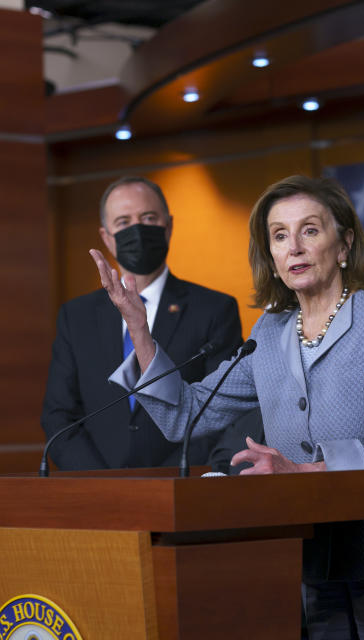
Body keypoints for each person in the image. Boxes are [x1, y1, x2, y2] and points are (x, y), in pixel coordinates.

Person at [92, 175, 364, 639]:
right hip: (315, 557)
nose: (295, 247)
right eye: (280, 236)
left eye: (310, 230)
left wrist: (306, 474)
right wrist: (140, 333)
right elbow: (185, 414)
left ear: (344, 243)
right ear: (271, 255)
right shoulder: (268, 332)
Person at [42, 176, 259, 472]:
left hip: (182, 484)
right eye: (123, 222)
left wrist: (173, 476)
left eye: (148, 218)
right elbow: (59, 416)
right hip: (97, 488)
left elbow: (223, 410)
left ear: (168, 226)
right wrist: (102, 482)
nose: (138, 230)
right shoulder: (75, 316)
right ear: (106, 237)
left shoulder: (214, 309)